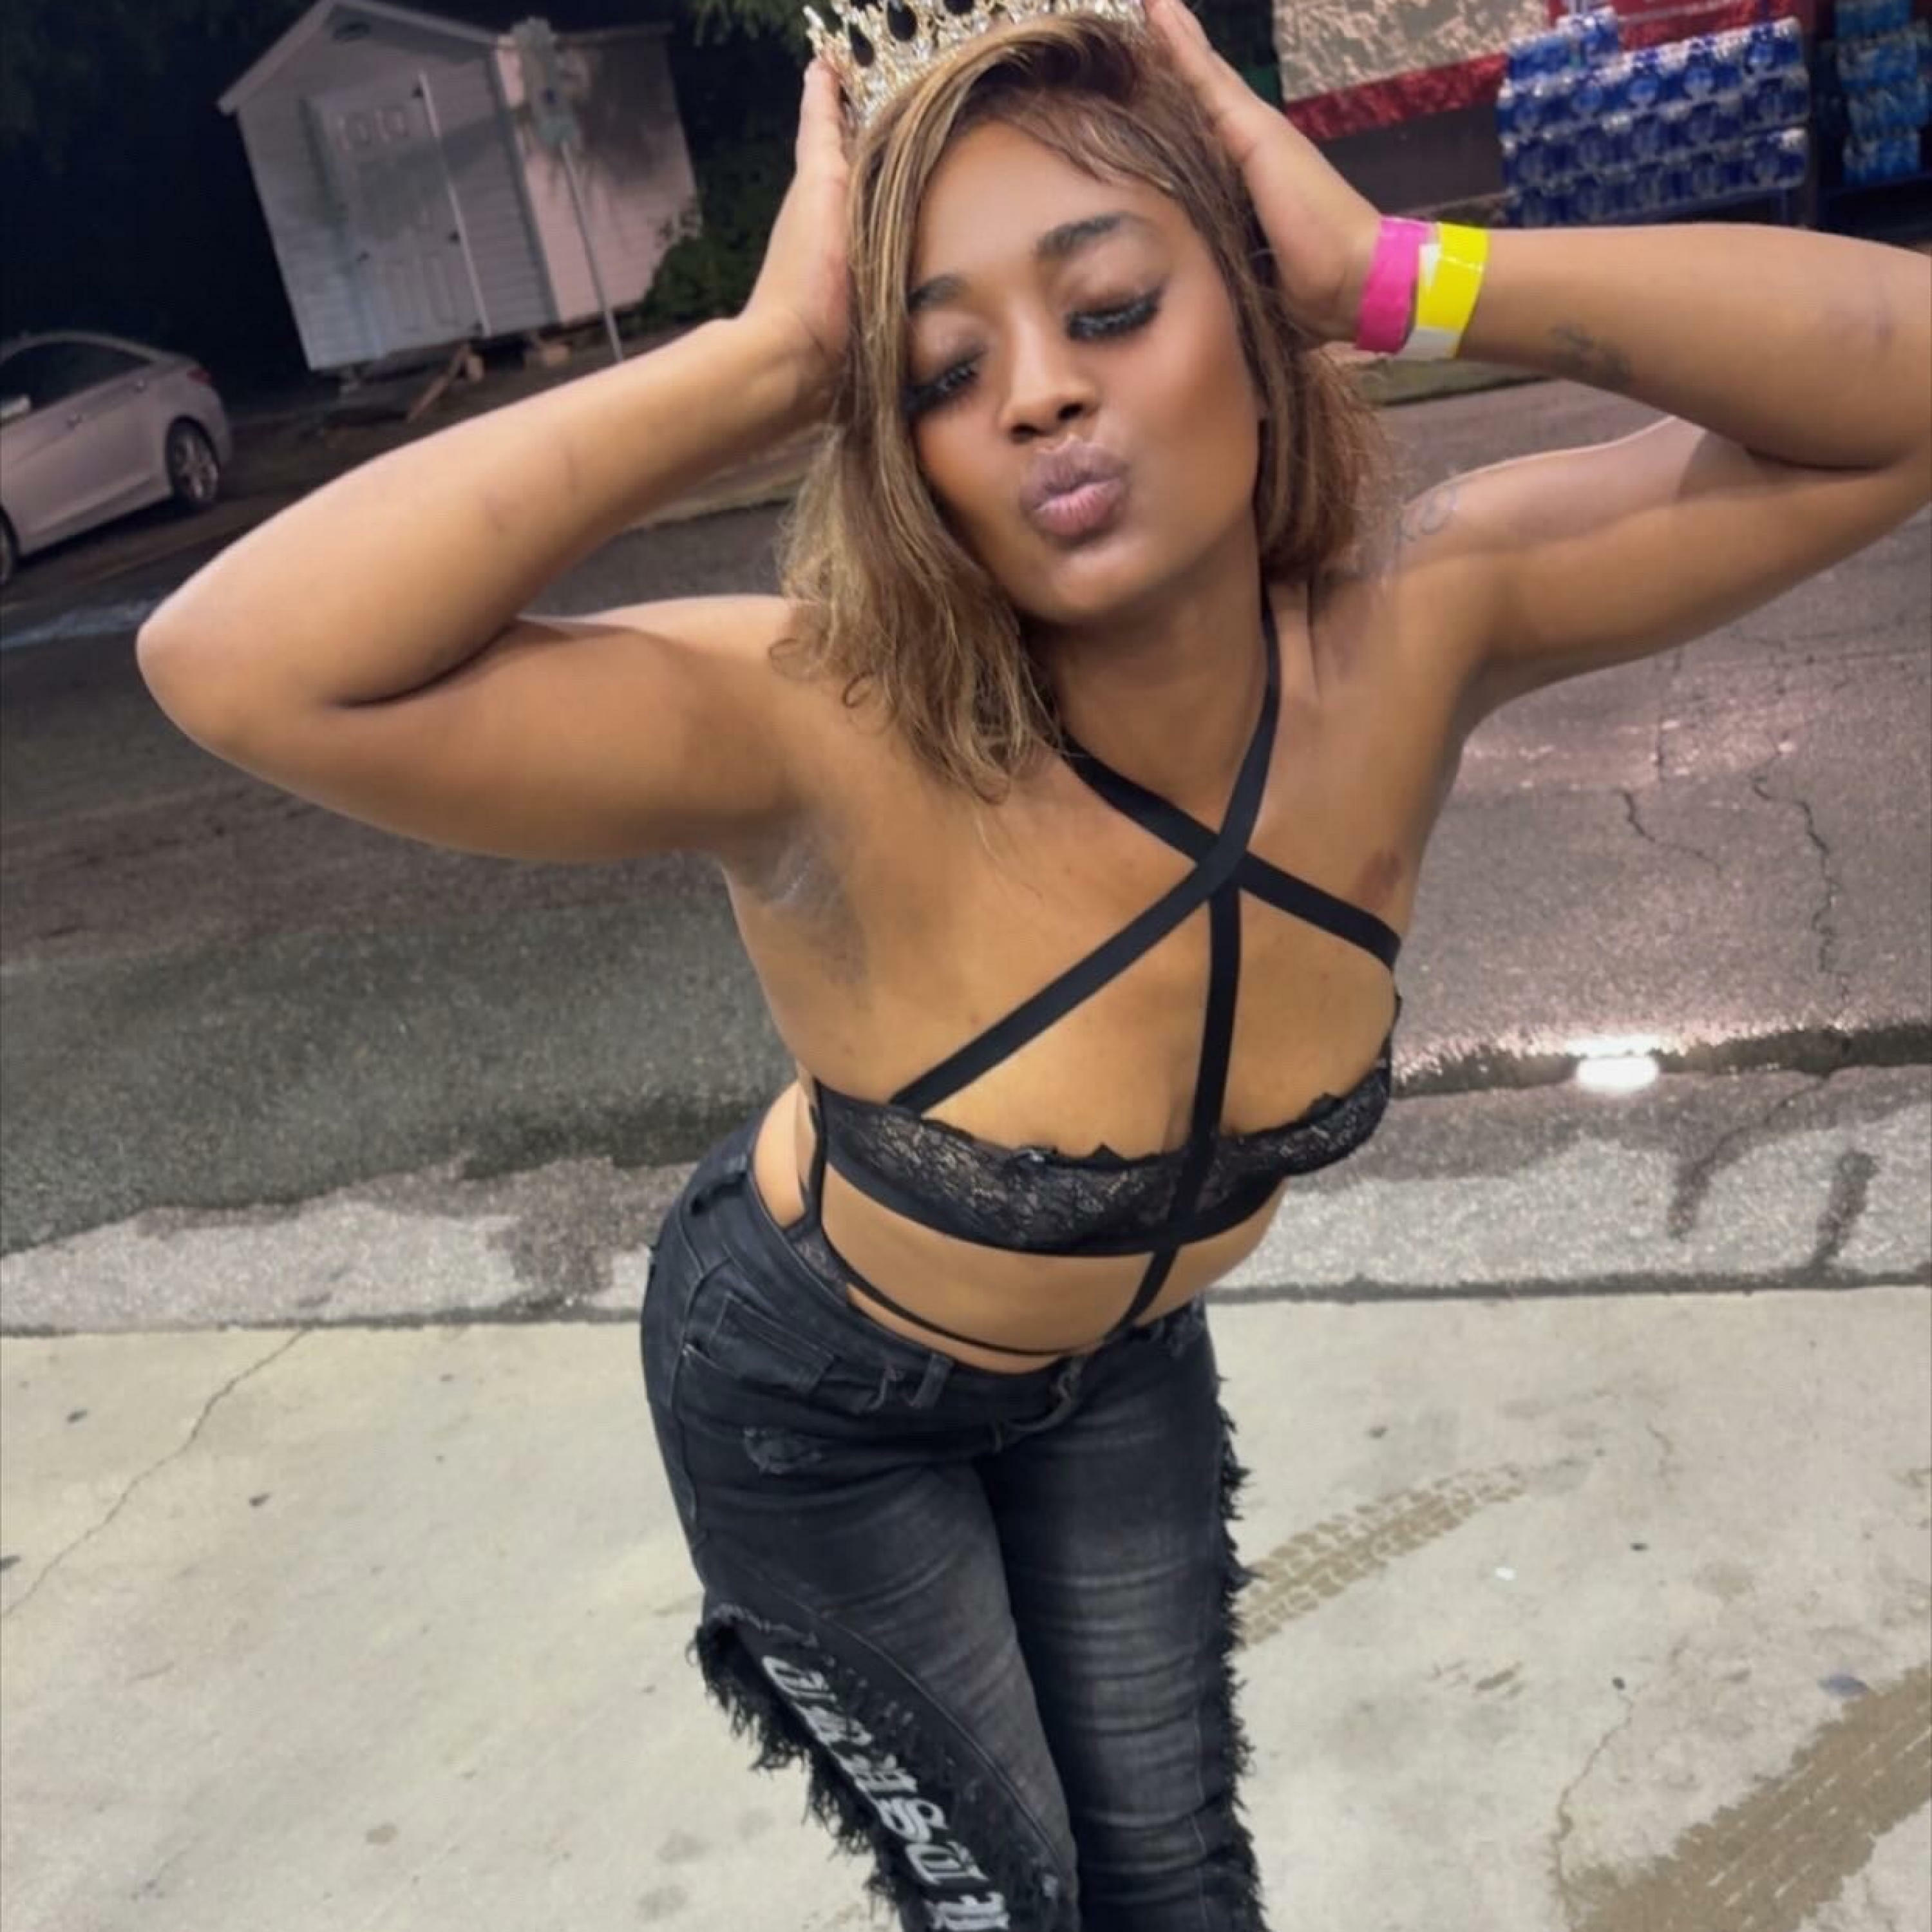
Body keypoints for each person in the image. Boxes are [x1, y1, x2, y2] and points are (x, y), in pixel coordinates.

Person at [135, 0, 1930, 1920]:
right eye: (941, 370)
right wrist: (760, 368)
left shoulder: (1424, 626)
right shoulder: (822, 728)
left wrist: (1394, 271)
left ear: (1253, 316)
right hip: (812, 1403)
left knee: (1176, 1879)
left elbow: (1899, 383)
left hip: (1113, 1365)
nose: (1042, 396)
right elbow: (239, 663)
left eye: (1111, 308)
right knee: (1017, 1899)